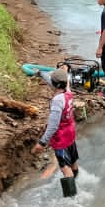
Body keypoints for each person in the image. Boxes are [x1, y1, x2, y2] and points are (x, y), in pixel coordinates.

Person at [35, 69, 81, 197]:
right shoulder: (68, 93)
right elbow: (54, 83)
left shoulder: (57, 101)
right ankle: (76, 181)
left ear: (55, 85)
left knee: (64, 167)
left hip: (61, 138)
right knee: (73, 161)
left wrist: (42, 142)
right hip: (70, 133)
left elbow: (53, 126)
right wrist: (41, 74)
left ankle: (72, 198)